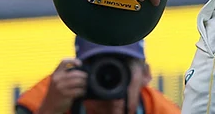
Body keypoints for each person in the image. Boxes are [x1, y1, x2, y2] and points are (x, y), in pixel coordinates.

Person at [15, 38, 179, 114]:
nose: (111, 80)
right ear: (78, 69)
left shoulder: (162, 111)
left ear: (146, 74)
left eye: (121, 69)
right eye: (99, 67)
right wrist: (49, 111)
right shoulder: (49, 97)